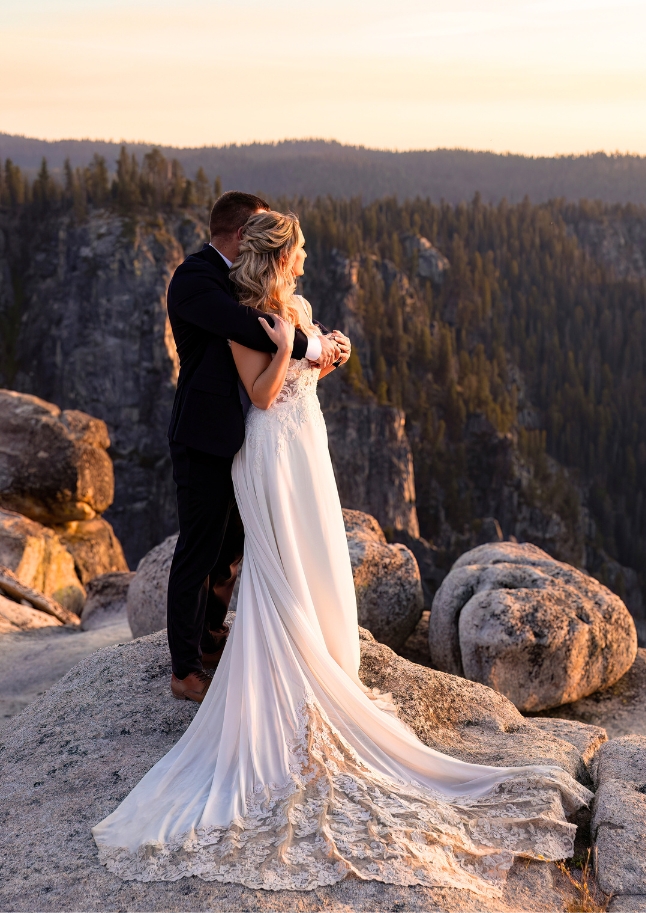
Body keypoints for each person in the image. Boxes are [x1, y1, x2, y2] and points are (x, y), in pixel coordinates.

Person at [93, 211, 591, 896]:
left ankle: (295, 650)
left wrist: (319, 355)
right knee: (259, 563)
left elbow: (305, 378)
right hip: (266, 450)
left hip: (304, 448)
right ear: (274, 253)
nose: (306, 259)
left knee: (309, 554)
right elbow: (263, 395)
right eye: (297, 252)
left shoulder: (290, 309)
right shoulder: (239, 310)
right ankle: (207, 661)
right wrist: (289, 349)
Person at [164, 191, 348, 702]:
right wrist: (310, 344)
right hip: (205, 435)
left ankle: (209, 638)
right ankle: (184, 670)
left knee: (233, 548)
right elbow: (243, 326)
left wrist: (329, 344)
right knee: (198, 550)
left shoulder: (255, 284)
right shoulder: (195, 277)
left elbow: (275, 332)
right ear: (245, 234)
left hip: (256, 439)